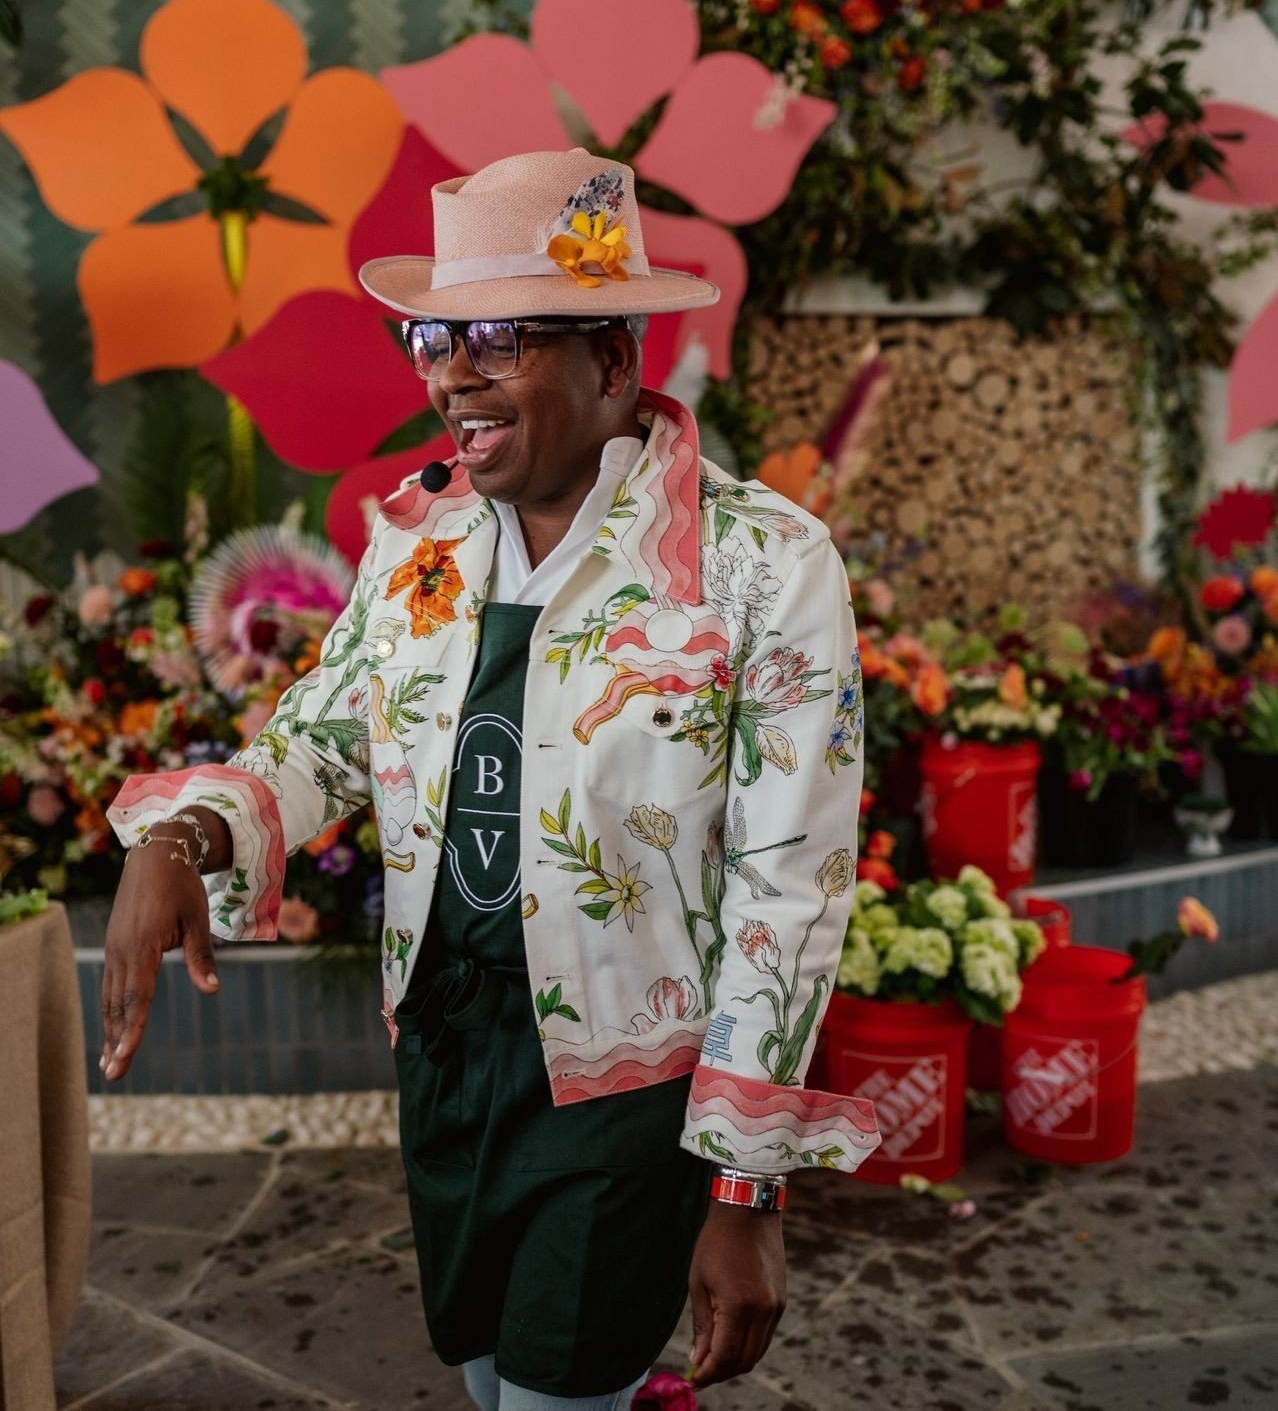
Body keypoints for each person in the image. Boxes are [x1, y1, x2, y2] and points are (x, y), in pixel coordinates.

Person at [103, 148, 880, 1411]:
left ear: (615, 363)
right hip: (449, 1059)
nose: (452, 371)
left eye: (500, 335)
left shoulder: (762, 567)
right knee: (485, 1374)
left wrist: (744, 1189)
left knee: (554, 1396)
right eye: (433, 333)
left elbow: (790, 885)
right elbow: (322, 735)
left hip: (624, 1090)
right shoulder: (424, 537)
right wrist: (178, 836)